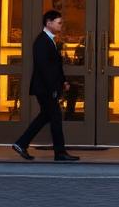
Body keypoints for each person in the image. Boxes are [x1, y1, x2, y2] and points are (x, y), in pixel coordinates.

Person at [11, 10, 79, 162]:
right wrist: (54, 88)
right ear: (49, 23)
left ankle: (21, 143)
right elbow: (44, 69)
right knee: (54, 117)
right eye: (59, 22)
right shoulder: (42, 41)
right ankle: (59, 153)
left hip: (47, 87)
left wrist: (63, 81)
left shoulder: (50, 40)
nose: (61, 25)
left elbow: (54, 66)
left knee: (45, 116)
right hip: (45, 88)